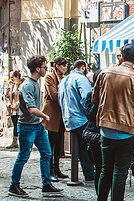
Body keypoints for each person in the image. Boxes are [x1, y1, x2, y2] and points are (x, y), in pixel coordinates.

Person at [93, 44, 134, 201]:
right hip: (127, 131)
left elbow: (95, 99)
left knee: (105, 170)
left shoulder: (104, 73)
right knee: (120, 173)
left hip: (106, 128)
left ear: (122, 57)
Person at [8, 55, 63, 198]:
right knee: (23, 156)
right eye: (44, 67)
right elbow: (31, 108)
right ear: (38, 69)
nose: (46, 69)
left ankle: (46, 185)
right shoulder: (27, 85)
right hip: (27, 127)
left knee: (47, 153)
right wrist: (45, 116)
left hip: (37, 127)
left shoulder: (36, 82)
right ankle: (14, 185)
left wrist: (41, 120)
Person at [58, 60, 95, 182]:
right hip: (81, 118)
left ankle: (89, 173)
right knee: (95, 141)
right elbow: (87, 98)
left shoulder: (64, 80)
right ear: (83, 67)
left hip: (68, 119)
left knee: (82, 146)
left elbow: (59, 99)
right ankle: (94, 172)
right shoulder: (81, 79)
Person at [41, 57, 69, 182]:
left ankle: (57, 169)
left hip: (61, 113)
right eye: (63, 66)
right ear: (57, 65)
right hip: (52, 113)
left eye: (66, 66)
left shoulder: (64, 77)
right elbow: (53, 95)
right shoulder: (49, 77)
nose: (65, 68)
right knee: (51, 143)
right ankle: (50, 170)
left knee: (59, 144)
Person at [83, 70, 102, 194]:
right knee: (100, 168)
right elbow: (89, 115)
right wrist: (96, 99)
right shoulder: (91, 95)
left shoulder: (111, 95)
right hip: (96, 135)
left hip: (110, 134)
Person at [5, 70, 23, 149]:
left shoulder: (23, 85)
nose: (11, 78)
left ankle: (24, 142)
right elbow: (6, 96)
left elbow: (23, 96)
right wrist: (9, 104)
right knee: (15, 125)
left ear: (17, 77)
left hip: (20, 109)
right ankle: (14, 142)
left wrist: (17, 104)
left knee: (21, 125)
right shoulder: (11, 85)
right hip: (12, 109)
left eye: (13, 77)